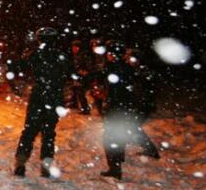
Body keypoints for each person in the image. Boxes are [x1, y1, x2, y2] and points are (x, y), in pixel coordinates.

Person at [9, 27, 69, 178]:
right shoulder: (61, 56)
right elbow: (69, 74)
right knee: (49, 133)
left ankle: (21, 164)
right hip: (55, 97)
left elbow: (18, 67)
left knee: (29, 131)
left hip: (39, 97)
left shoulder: (36, 55)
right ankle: (46, 166)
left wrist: (15, 62)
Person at [100, 40, 160, 180]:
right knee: (121, 134)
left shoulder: (114, 68)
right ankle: (118, 161)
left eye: (109, 53)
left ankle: (115, 168)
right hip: (126, 107)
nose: (107, 55)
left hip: (117, 108)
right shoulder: (127, 68)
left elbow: (103, 79)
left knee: (111, 138)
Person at [67, 40, 91, 115]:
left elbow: (87, 66)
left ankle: (85, 109)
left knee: (80, 93)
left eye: (75, 47)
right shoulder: (76, 56)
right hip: (77, 76)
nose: (73, 49)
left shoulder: (82, 56)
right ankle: (75, 105)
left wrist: (84, 71)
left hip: (82, 77)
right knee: (77, 91)